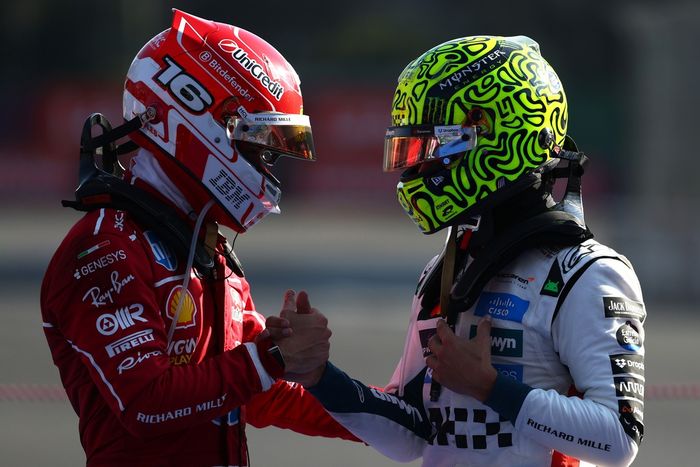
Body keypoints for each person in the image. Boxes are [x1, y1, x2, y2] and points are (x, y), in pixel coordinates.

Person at [285, 35, 646, 466]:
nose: (417, 170)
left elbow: (619, 439)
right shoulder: (446, 269)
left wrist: (490, 388)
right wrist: (320, 376)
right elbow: (412, 436)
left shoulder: (588, 272)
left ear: (493, 134)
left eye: (431, 150)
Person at [40, 10, 356, 466]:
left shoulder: (208, 249)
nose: (266, 169)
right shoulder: (104, 247)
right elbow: (146, 402)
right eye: (258, 146)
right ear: (195, 113)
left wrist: (389, 414)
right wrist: (271, 357)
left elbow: (262, 394)